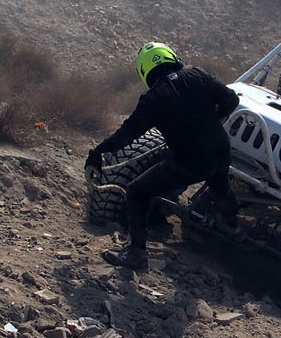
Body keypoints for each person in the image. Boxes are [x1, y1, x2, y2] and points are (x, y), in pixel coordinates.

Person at [86, 42, 239, 269]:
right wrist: (209, 122)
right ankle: (232, 226)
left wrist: (97, 152)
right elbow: (231, 100)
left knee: (137, 192)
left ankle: (137, 253)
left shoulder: (153, 99)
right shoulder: (198, 75)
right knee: (221, 187)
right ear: (172, 57)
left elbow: (126, 135)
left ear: (144, 71)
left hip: (189, 161)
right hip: (220, 151)